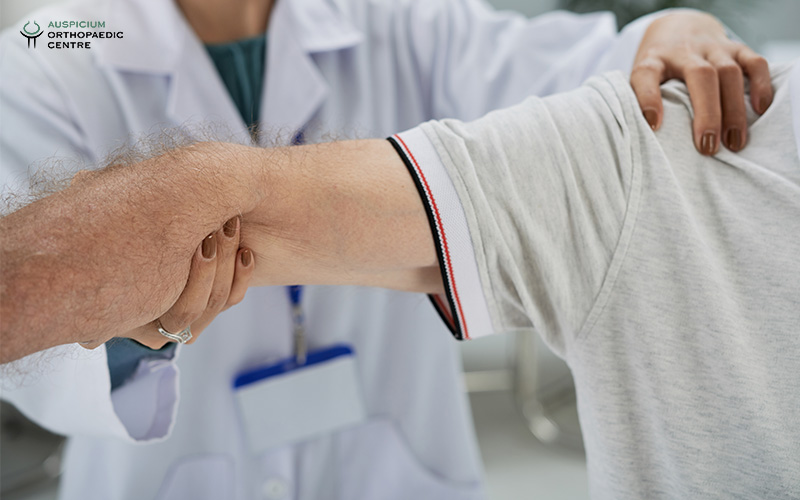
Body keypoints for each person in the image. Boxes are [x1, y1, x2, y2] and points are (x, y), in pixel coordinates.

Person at [0, 0, 773, 498]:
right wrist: (127, 326)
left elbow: (594, 91)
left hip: (393, 461)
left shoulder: (399, 19)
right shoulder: (60, 39)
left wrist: (666, 30)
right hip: (169, 470)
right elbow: (32, 307)